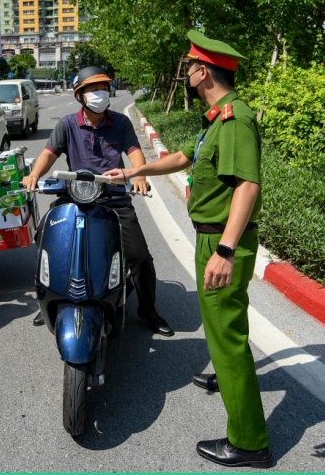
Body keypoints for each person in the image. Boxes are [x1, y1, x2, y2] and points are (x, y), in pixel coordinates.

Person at [103, 31, 271, 468]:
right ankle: (226, 374)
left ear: (204, 71)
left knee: (227, 335)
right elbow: (183, 158)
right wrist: (134, 170)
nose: (187, 71)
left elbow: (247, 186)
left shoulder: (235, 120)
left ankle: (250, 442)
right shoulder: (215, 119)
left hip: (222, 241)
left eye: (191, 65)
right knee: (221, 328)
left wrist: (227, 250)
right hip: (211, 236)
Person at [22, 66, 174, 337]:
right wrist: (34, 174)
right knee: (45, 238)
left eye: (103, 88)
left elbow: (135, 153)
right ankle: (50, 296)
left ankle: (148, 307)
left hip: (113, 199)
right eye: (93, 89)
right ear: (80, 95)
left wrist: (137, 176)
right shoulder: (67, 124)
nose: (99, 94)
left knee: (139, 256)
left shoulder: (121, 123)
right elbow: (48, 154)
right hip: (74, 197)